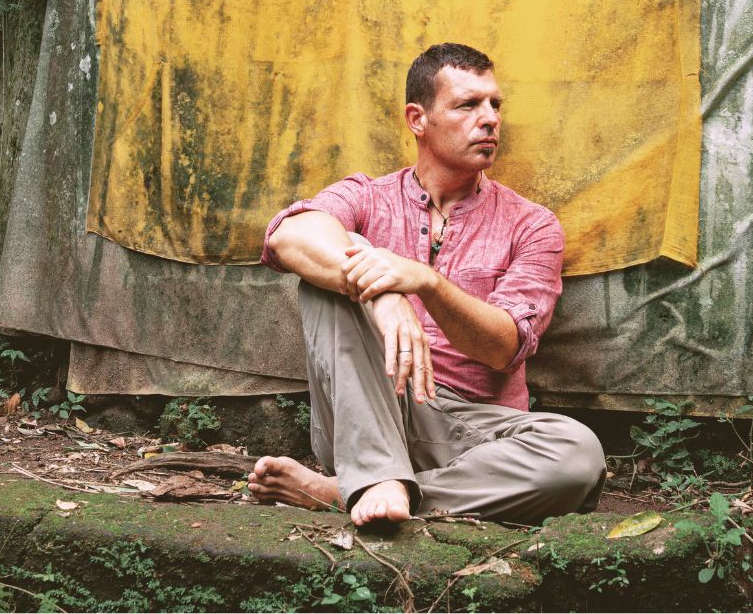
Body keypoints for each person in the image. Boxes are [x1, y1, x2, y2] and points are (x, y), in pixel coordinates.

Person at [249, 42, 606, 527]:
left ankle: (350, 491)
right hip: (368, 408)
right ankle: (376, 473)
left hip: (473, 432)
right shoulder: (367, 196)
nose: (490, 119)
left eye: (495, 104)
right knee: (323, 273)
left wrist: (428, 285)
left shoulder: (533, 225)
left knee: (578, 455)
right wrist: (385, 292)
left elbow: (505, 348)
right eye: (468, 105)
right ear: (418, 119)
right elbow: (289, 235)